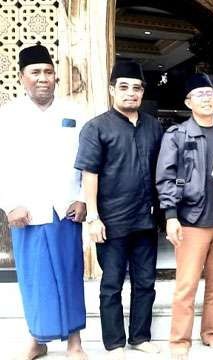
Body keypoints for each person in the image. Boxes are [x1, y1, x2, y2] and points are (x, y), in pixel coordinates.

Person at [0, 44, 87, 360]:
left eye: (48, 72)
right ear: (22, 78)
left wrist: (82, 199)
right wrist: (10, 204)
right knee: (34, 278)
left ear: (55, 77)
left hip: (65, 208)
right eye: (35, 72)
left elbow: (88, 161)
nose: (42, 78)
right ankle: (37, 339)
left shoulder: (75, 112)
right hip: (26, 210)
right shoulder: (8, 115)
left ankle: (75, 342)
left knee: (70, 272)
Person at [74, 61, 164, 359]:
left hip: (146, 220)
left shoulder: (154, 126)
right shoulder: (96, 127)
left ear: (142, 92)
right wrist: (93, 217)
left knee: (146, 282)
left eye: (136, 88)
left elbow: (161, 172)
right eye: (123, 87)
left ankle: (140, 336)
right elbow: (90, 174)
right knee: (111, 285)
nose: (131, 93)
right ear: (112, 90)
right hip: (110, 222)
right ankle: (114, 344)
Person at [155, 74, 213, 359]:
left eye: (210, 94)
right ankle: (179, 341)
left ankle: (211, 333)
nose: (206, 99)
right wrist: (171, 216)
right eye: (199, 94)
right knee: (186, 285)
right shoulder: (177, 134)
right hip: (191, 220)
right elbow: (165, 177)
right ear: (188, 102)